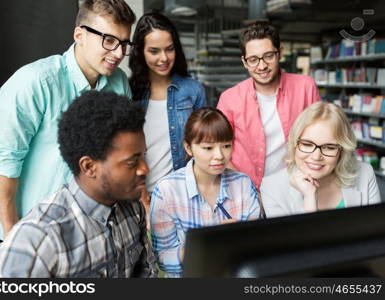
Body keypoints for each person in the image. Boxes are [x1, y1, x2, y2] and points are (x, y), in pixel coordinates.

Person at [0, 0, 136, 240]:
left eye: (125, 43)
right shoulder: (33, 83)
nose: (119, 53)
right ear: (80, 35)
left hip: (86, 230)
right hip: (29, 229)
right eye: (109, 41)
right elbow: (4, 162)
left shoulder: (119, 83)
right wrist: (13, 234)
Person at [0, 91, 157, 278]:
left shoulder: (133, 206)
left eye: (143, 156)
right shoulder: (38, 240)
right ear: (89, 167)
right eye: (132, 162)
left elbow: (146, 273)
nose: (145, 169)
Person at [150, 107, 261, 277]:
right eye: (208, 148)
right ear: (188, 148)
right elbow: (163, 259)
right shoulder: (167, 190)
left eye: (226, 146)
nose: (219, 156)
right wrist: (208, 242)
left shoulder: (243, 184)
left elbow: (254, 250)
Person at [217, 20, 320, 190]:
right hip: (245, 189)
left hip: (296, 187)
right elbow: (219, 151)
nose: (262, 66)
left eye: (268, 56)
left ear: (280, 53)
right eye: (253, 59)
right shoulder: (229, 99)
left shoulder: (305, 87)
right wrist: (247, 190)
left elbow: (321, 137)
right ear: (244, 62)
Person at [129, 12, 206, 217]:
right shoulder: (129, 93)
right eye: (154, 51)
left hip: (184, 198)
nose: (163, 58)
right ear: (141, 52)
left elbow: (203, 148)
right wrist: (141, 195)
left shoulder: (193, 91)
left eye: (169, 49)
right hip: (140, 199)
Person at [261, 102, 381, 218]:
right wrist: (309, 199)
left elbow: (376, 233)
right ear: (294, 144)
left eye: (329, 147)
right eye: (307, 144)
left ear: (342, 150)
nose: (316, 156)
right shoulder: (271, 188)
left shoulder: (365, 174)